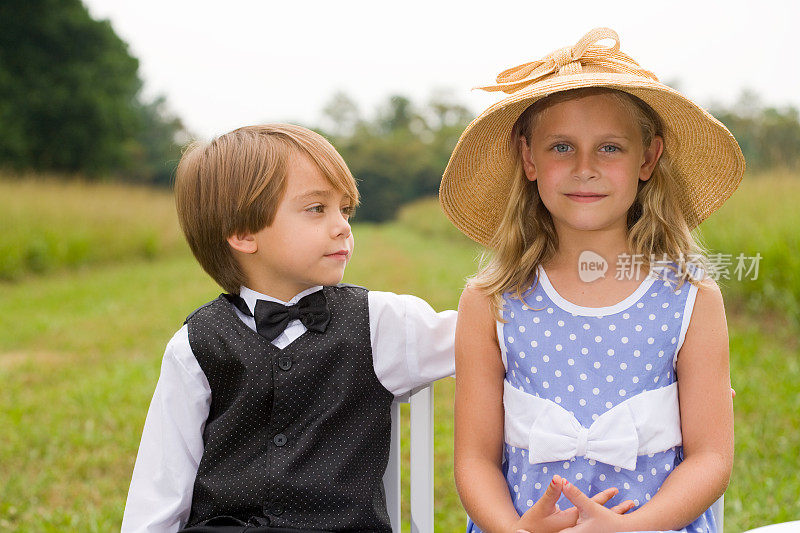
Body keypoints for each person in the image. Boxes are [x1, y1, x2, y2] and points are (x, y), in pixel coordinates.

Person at [440, 28, 742, 533]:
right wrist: (513, 529)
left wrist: (634, 526)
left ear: (647, 159)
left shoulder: (690, 298)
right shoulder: (491, 302)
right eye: (561, 147)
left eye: (609, 148)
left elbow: (711, 458)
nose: (584, 168)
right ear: (529, 159)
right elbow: (474, 461)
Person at [121, 124, 456, 532]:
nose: (342, 227)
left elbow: (485, 337)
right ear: (244, 233)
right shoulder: (197, 343)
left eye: (345, 209)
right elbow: (161, 486)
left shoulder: (379, 321)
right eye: (317, 209)